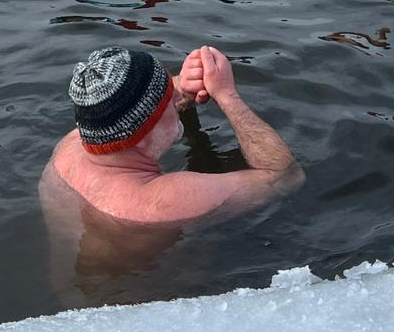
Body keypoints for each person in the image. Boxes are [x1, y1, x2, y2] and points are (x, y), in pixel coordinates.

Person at [42, 45, 301, 225]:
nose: (177, 96)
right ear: (142, 135)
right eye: (169, 97)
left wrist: (182, 85)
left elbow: (130, 115)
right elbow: (286, 177)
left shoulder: (70, 149)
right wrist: (226, 95)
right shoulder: (163, 201)